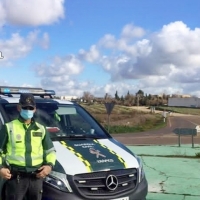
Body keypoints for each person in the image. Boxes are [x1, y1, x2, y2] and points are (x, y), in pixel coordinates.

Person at [0, 93, 56, 200]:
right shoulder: (8, 127)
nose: (28, 110)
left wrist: (49, 166)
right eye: (25, 107)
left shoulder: (41, 129)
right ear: (19, 107)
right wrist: (1, 168)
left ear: (35, 109)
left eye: (31, 108)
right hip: (16, 178)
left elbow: (50, 151)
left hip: (36, 178)